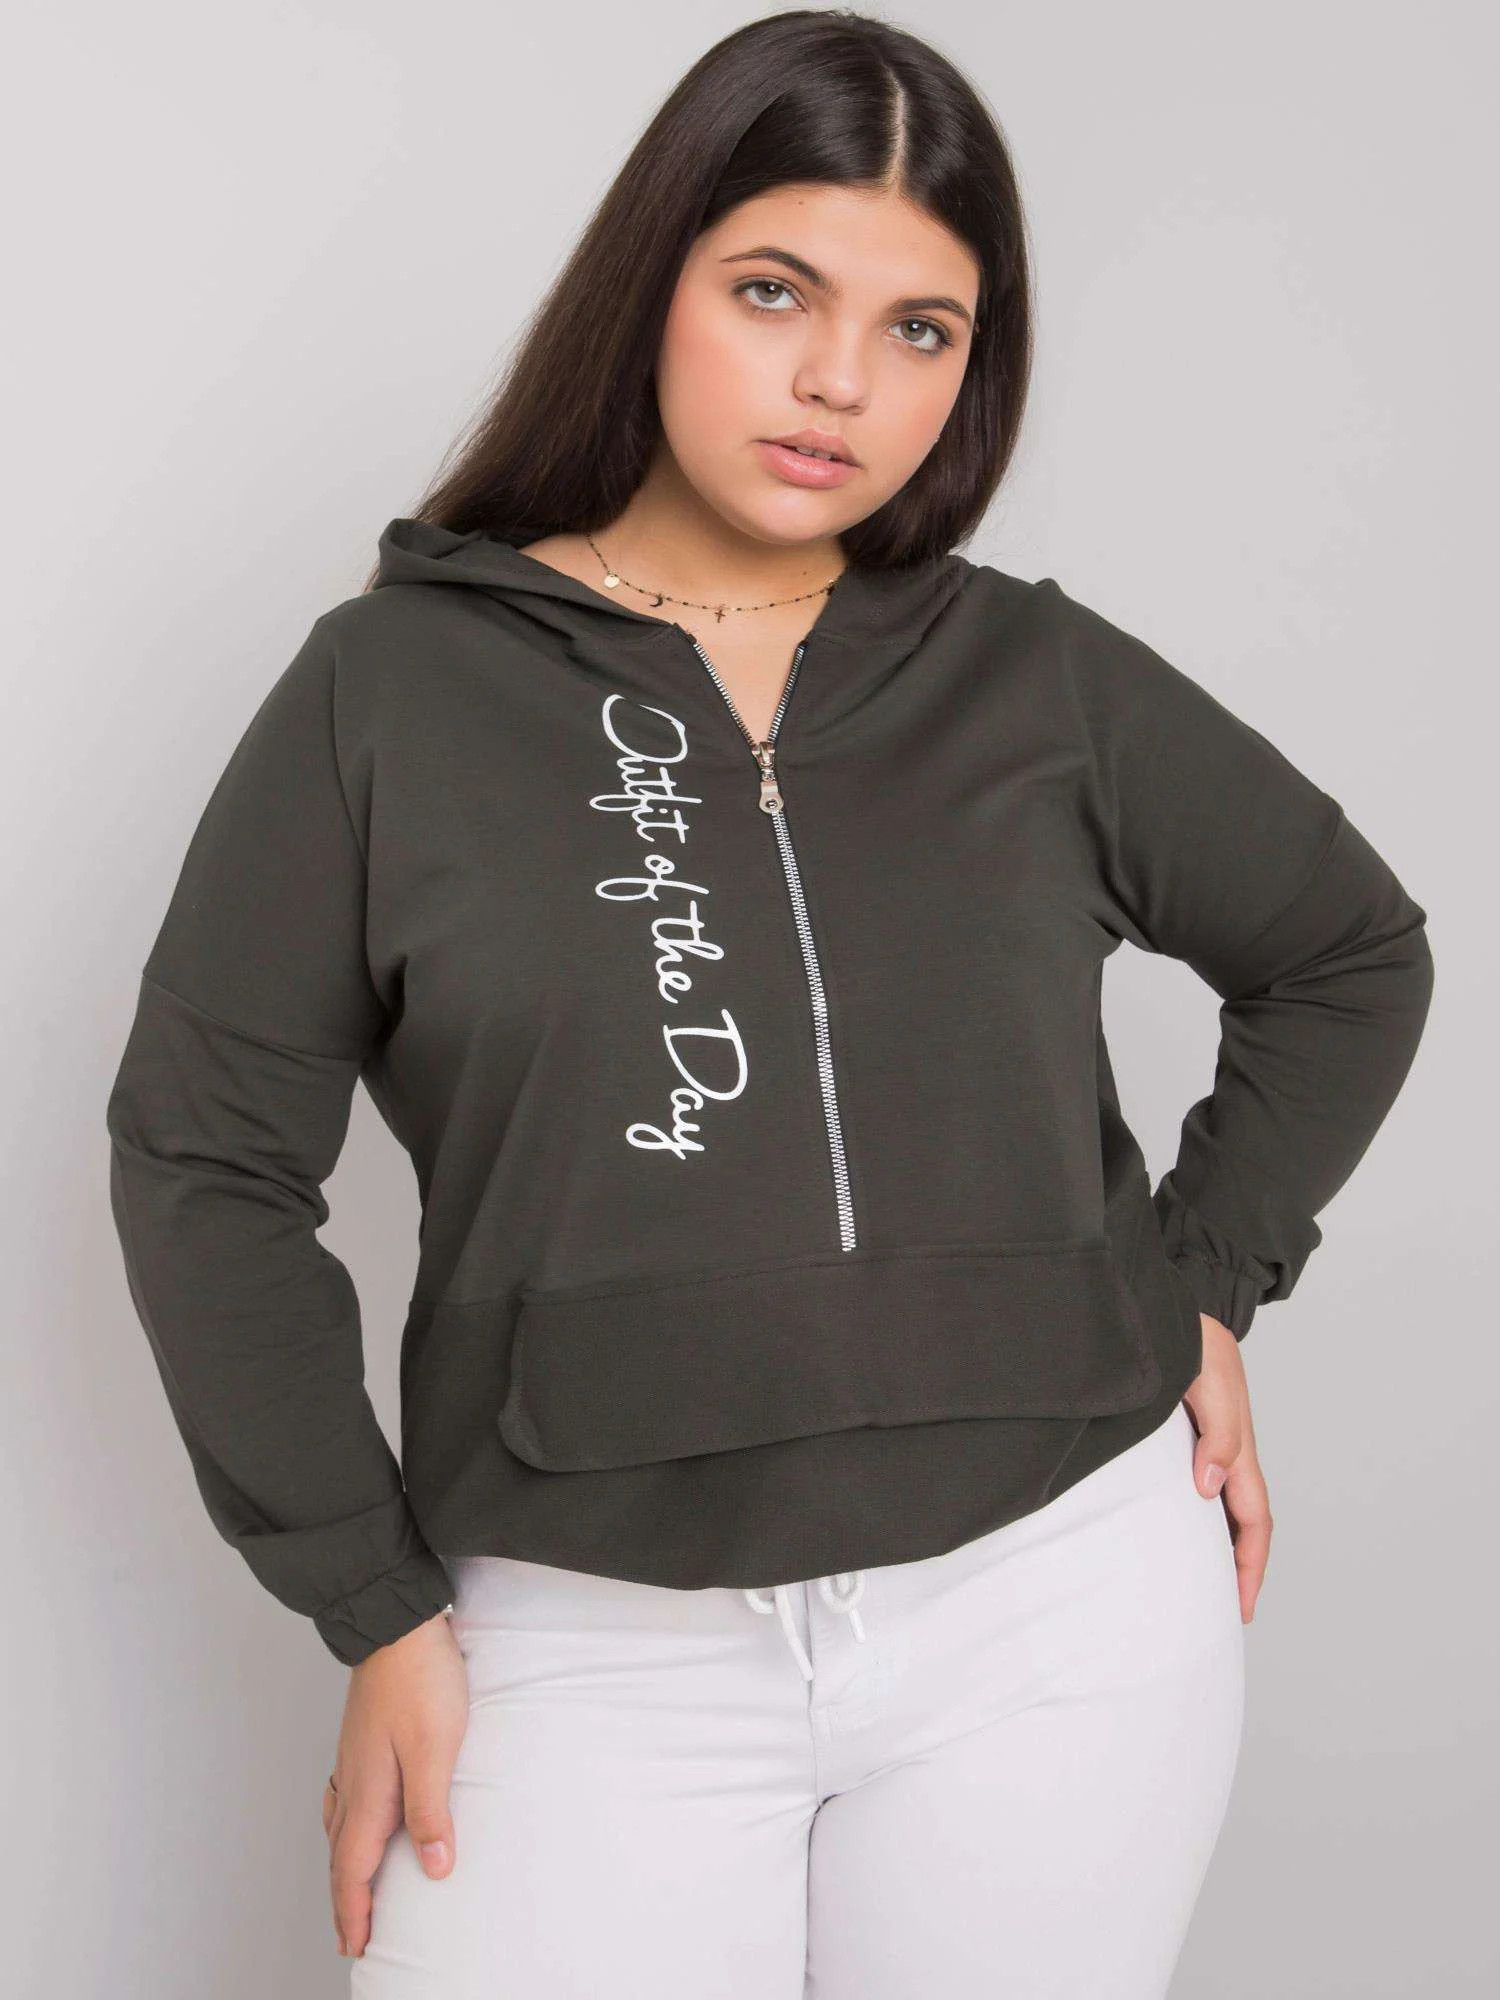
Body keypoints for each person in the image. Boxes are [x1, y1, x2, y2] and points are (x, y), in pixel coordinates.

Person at [103, 11, 1435, 1996]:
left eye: (923, 327)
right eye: (774, 291)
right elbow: (205, 1161)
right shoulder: (390, 695)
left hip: (1059, 1604)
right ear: (654, 283)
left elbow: (1348, 951)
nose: (841, 381)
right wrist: (369, 1598)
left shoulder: (1033, 681)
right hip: (582, 1640)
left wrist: (1206, 1278)